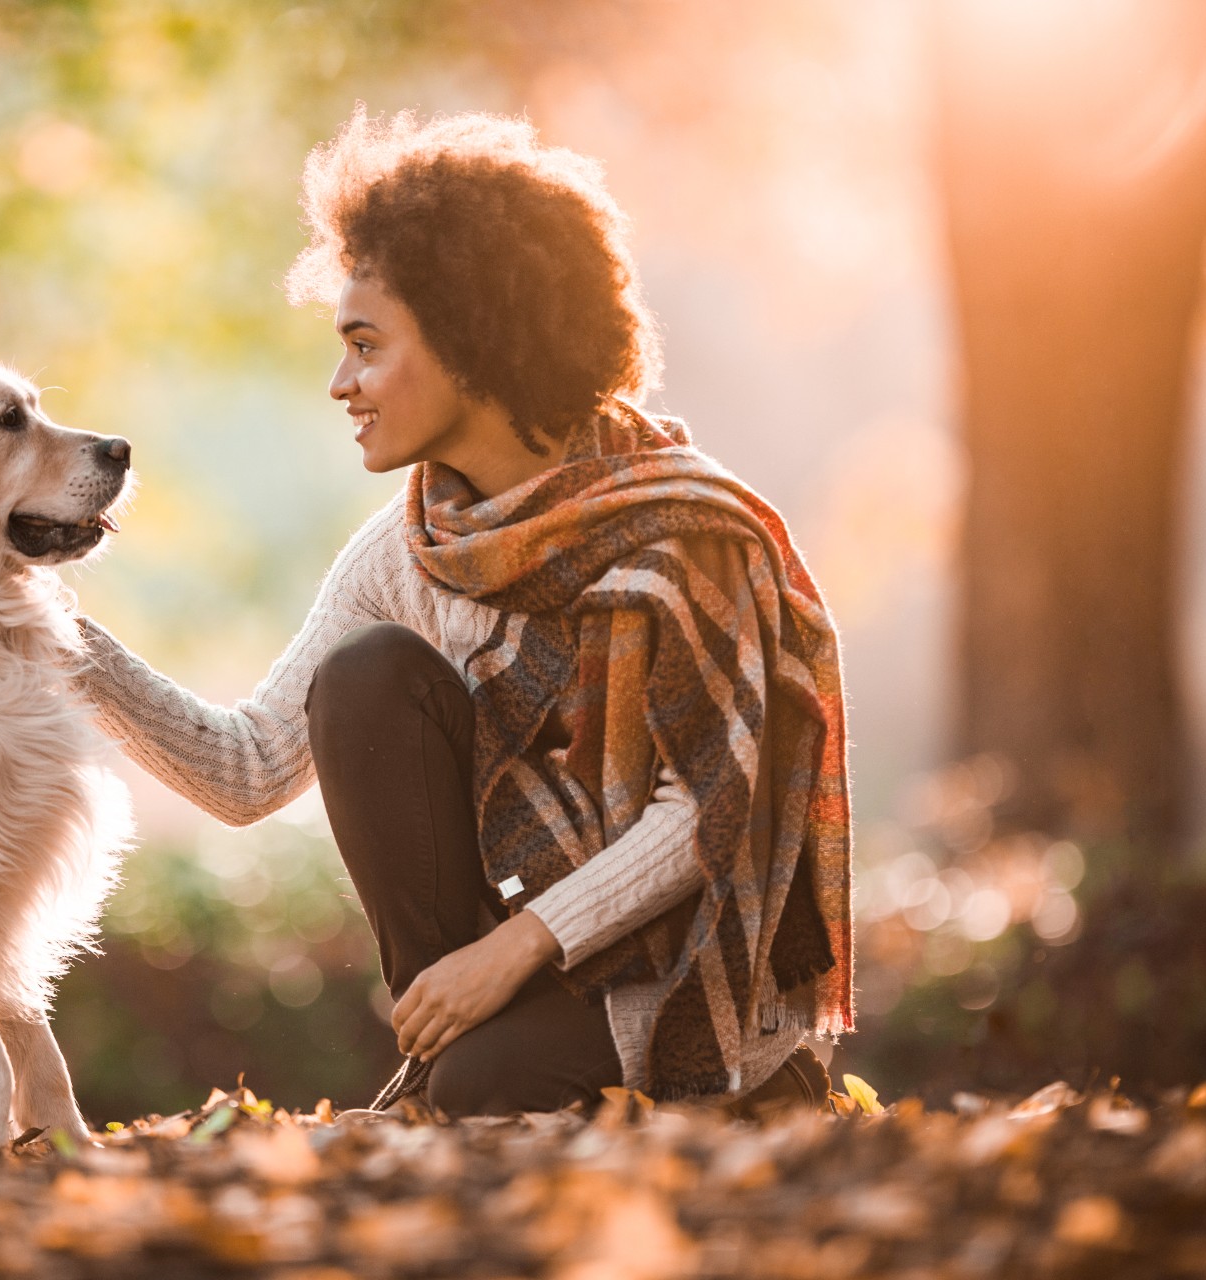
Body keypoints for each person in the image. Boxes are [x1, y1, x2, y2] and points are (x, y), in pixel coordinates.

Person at [74, 109, 852, 1117]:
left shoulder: (681, 530)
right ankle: (460, 1061)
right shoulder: (407, 548)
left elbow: (708, 807)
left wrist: (508, 953)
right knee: (365, 678)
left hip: (694, 971)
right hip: (529, 970)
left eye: (365, 345)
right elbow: (247, 768)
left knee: (480, 1088)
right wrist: (59, 636)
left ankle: (711, 1077)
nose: (339, 382)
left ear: (470, 341)